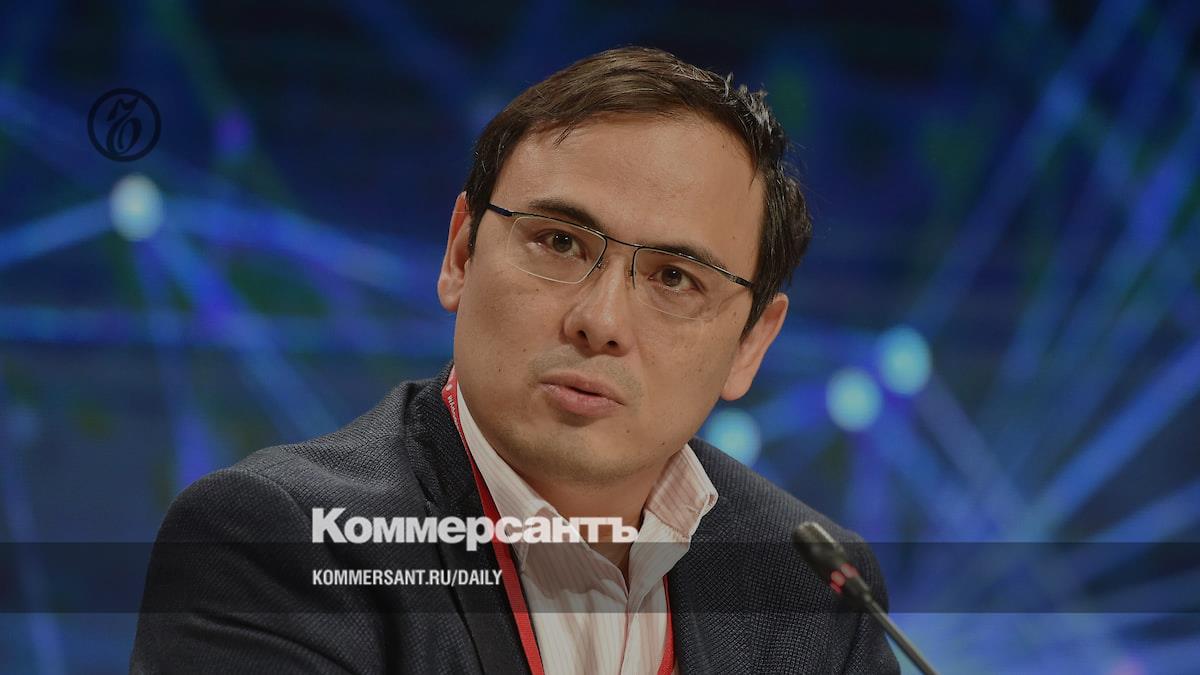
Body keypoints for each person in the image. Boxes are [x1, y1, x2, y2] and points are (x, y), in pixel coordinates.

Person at [131, 46, 899, 674]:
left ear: (751, 343)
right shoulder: (281, 544)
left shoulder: (815, 588)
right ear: (461, 253)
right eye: (559, 242)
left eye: (674, 277)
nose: (600, 321)